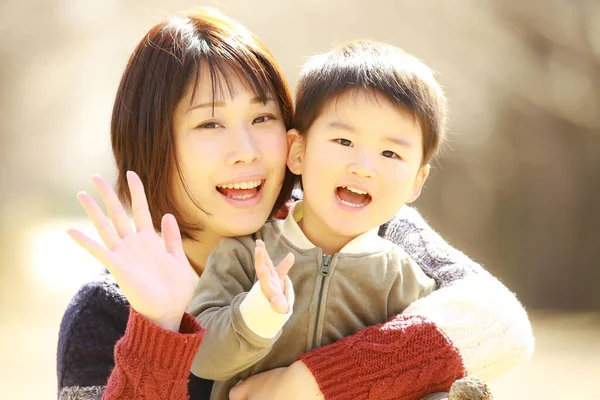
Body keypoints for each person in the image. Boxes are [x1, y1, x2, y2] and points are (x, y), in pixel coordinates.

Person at [56, 7, 534, 400]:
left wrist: (310, 382)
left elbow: (498, 322)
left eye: (262, 116)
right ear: (153, 143)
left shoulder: (366, 229)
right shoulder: (106, 312)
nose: (247, 149)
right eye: (209, 124)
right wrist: (158, 330)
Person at [187, 40, 456, 400]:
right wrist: (257, 313)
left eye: (390, 153)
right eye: (344, 141)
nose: (363, 166)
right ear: (298, 152)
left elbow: (423, 378)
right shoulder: (246, 251)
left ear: (417, 182)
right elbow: (200, 357)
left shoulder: (406, 283)